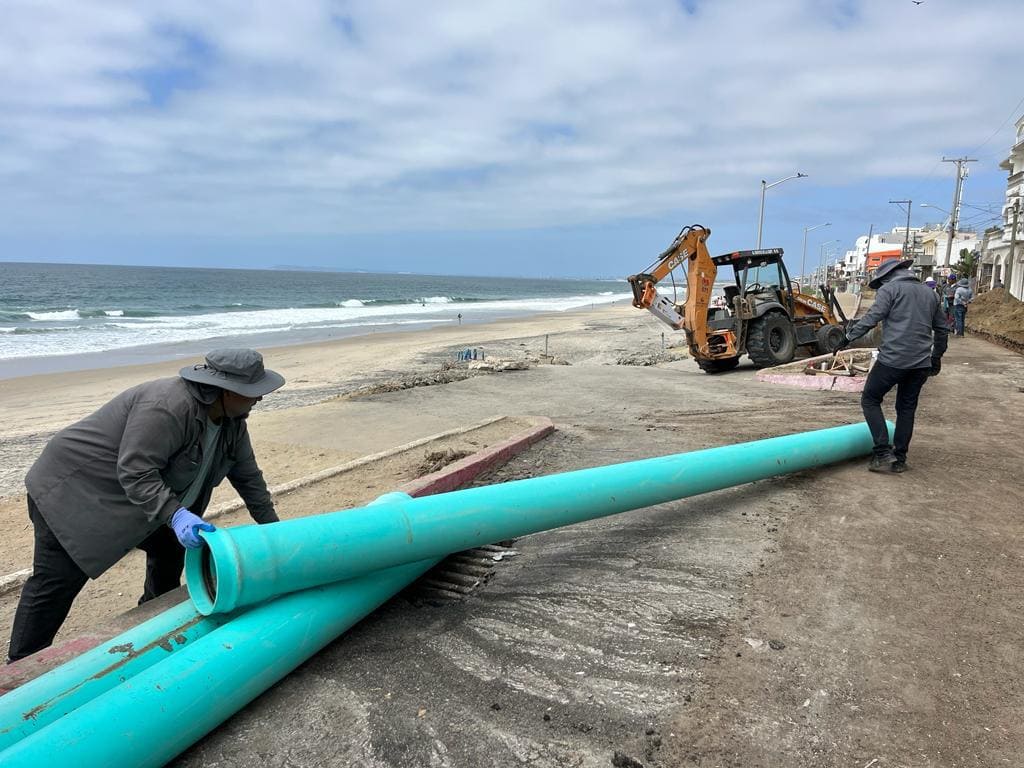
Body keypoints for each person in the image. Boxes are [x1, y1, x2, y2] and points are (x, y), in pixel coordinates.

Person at [7, 348, 284, 662]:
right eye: (253, 393)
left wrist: (274, 531)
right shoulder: (167, 406)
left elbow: (248, 477)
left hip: (142, 501)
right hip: (73, 490)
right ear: (226, 391)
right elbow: (136, 471)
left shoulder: (232, 421)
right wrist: (176, 514)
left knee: (172, 550)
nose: (259, 399)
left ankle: (152, 624)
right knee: (56, 583)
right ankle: (20, 670)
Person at [840, 259, 948, 474]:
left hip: (892, 360)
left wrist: (848, 337)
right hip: (920, 363)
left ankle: (882, 452)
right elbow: (942, 330)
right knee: (906, 409)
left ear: (887, 277)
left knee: (870, 399)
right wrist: (936, 359)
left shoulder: (890, 289)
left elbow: (872, 317)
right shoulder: (931, 294)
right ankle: (900, 459)